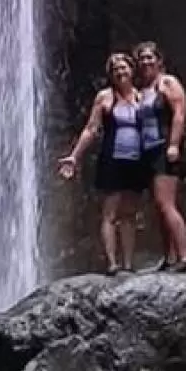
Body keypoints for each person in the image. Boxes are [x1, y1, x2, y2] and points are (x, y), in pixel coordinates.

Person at [58, 52, 145, 274]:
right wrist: (75, 156)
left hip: (135, 161)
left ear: (132, 70)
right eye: (115, 69)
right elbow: (91, 129)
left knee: (129, 213)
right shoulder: (105, 97)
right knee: (110, 212)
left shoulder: (141, 97)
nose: (120, 72)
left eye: (123, 67)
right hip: (112, 160)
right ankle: (112, 263)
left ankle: (128, 264)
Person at [134, 41, 186, 270]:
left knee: (166, 203)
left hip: (165, 147)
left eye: (150, 57)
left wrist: (174, 145)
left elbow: (179, 114)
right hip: (148, 151)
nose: (146, 62)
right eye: (142, 59)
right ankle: (169, 257)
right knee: (159, 207)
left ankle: (185, 256)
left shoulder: (167, 83)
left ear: (159, 60)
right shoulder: (142, 91)